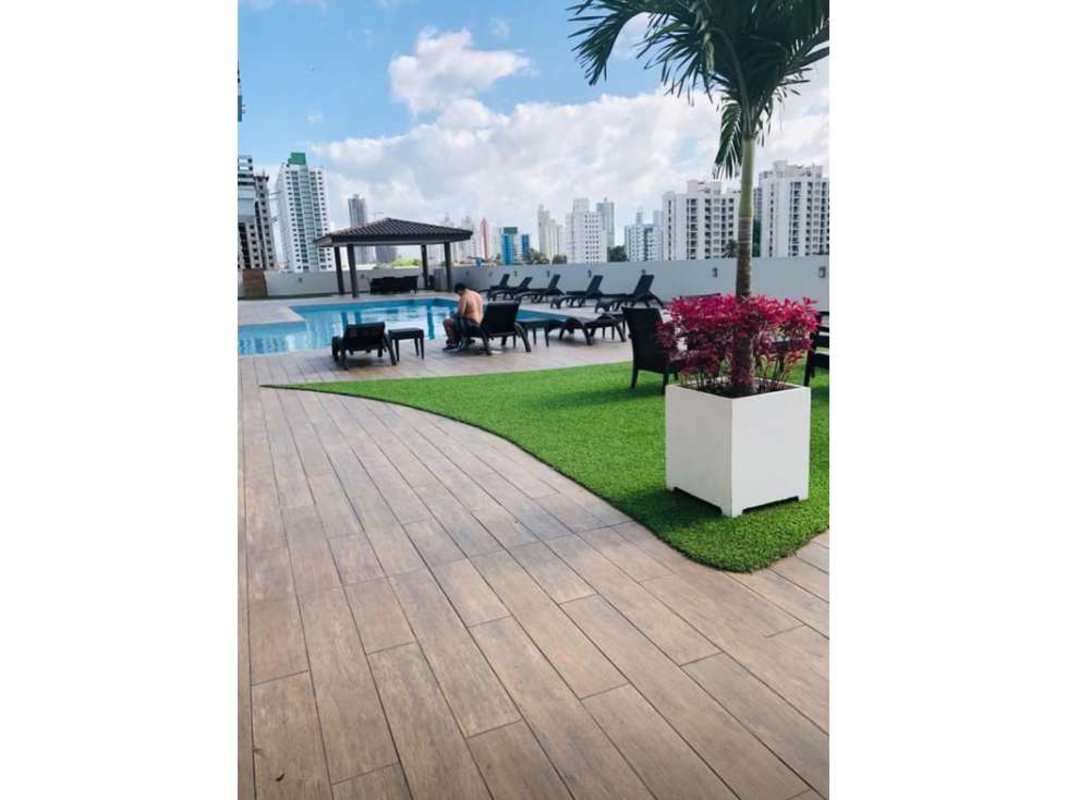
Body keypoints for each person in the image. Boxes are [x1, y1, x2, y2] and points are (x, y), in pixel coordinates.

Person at [443, 283, 484, 352]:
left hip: (471, 324)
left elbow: (460, 314)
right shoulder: (476, 294)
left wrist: (452, 316)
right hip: (480, 321)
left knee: (446, 322)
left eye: (458, 293)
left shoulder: (464, 297)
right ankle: (465, 339)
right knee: (455, 320)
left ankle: (453, 343)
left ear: (459, 290)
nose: (459, 295)